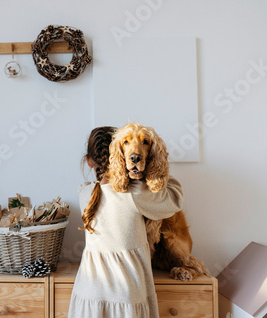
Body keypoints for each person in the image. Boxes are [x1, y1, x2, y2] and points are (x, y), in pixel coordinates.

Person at [68, 127, 184, 318]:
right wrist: (156, 165)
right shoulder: (135, 193)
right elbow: (175, 199)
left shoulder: (85, 192)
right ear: (121, 155)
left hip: (87, 295)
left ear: (89, 161)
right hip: (126, 297)